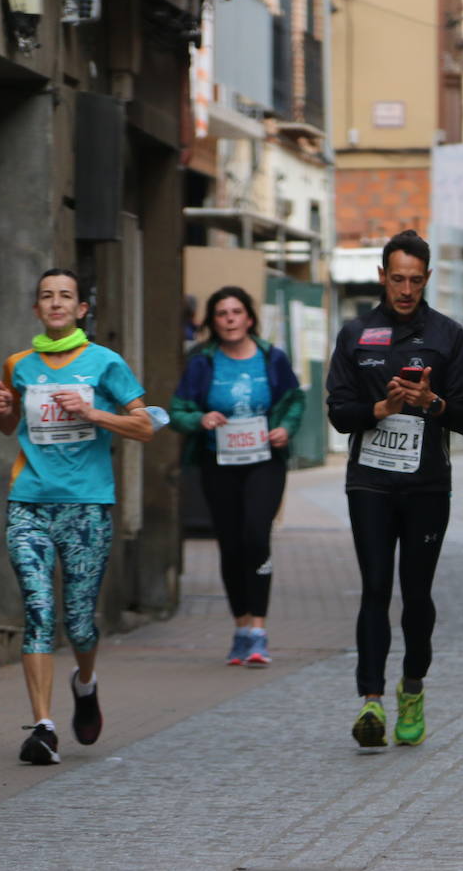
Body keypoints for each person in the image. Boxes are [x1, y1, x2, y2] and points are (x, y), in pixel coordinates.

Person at [0, 269, 155, 765]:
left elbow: (144, 426)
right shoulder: (19, 363)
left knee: (79, 622)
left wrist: (93, 412)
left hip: (86, 508)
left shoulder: (106, 363)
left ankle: (85, 682)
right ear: (36, 309)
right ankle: (43, 726)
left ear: (82, 309)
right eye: (46, 296)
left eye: (65, 296)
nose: (55, 303)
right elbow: (9, 425)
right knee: (39, 611)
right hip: (29, 504)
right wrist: (0, 411)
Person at [326, 229, 463, 748]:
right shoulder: (355, 335)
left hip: (425, 487)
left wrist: (431, 402)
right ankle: (370, 701)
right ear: (381, 277)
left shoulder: (449, 337)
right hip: (369, 482)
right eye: (397, 278)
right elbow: (339, 414)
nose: (406, 289)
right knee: (374, 588)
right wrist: (383, 409)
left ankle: (411, 687)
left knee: (416, 595)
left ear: (428, 279)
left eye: (416, 280)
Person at [171, 286, 305, 667]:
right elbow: (177, 410)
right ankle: (241, 628)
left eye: (236, 312)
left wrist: (286, 428)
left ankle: (259, 630)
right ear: (213, 322)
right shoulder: (203, 363)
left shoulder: (271, 358)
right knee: (230, 544)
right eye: (222, 313)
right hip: (219, 463)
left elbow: (295, 400)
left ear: (249, 318)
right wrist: (201, 419)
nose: (230, 319)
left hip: (265, 461)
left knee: (255, 534)